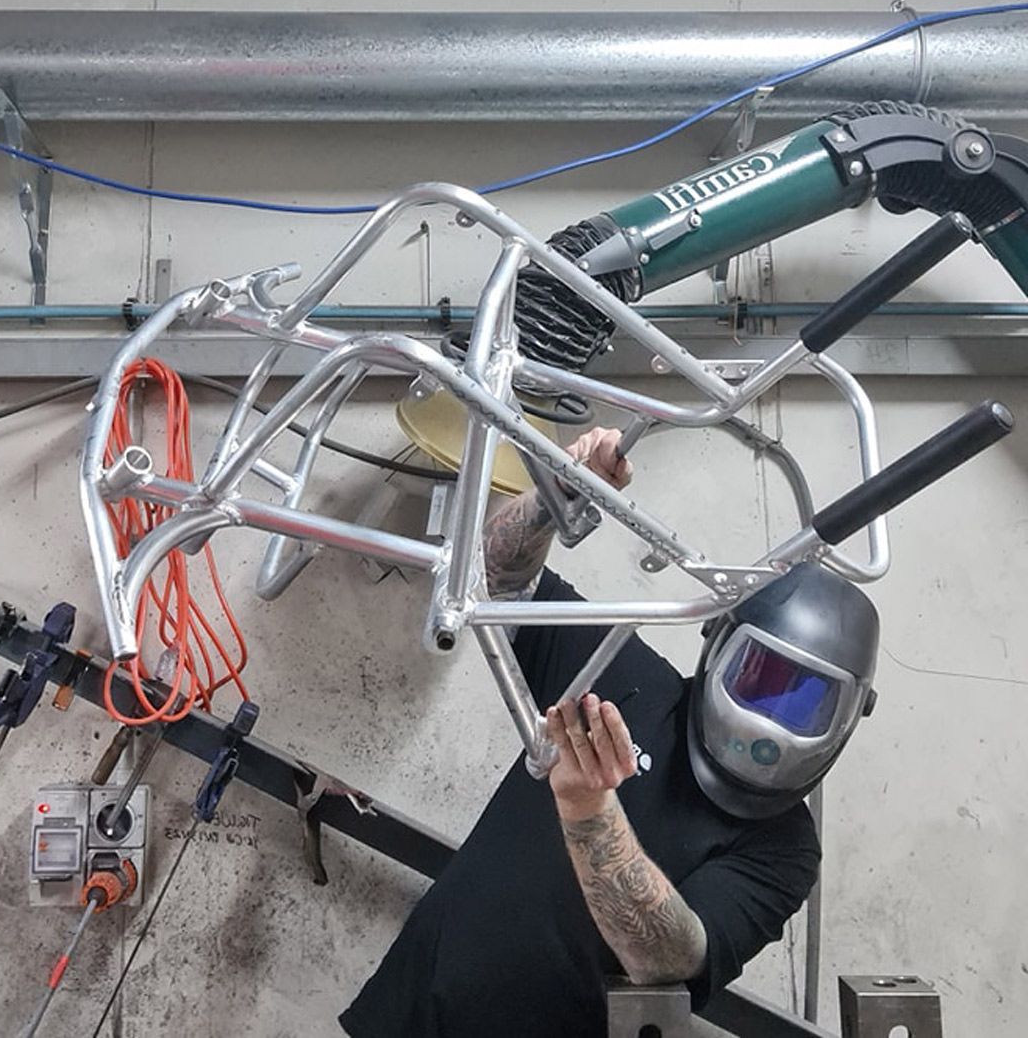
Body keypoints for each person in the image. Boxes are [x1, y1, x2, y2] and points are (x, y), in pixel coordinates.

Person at [341, 426, 878, 1037]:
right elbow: (496, 577)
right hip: (408, 1013)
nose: (770, 721)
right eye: (762, 679)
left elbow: (669, 961)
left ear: (849, 715)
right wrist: (555, 492)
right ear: (720, 644)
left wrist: (588, 808)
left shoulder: (784, 850)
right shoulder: (620, 675)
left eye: (806, 701)